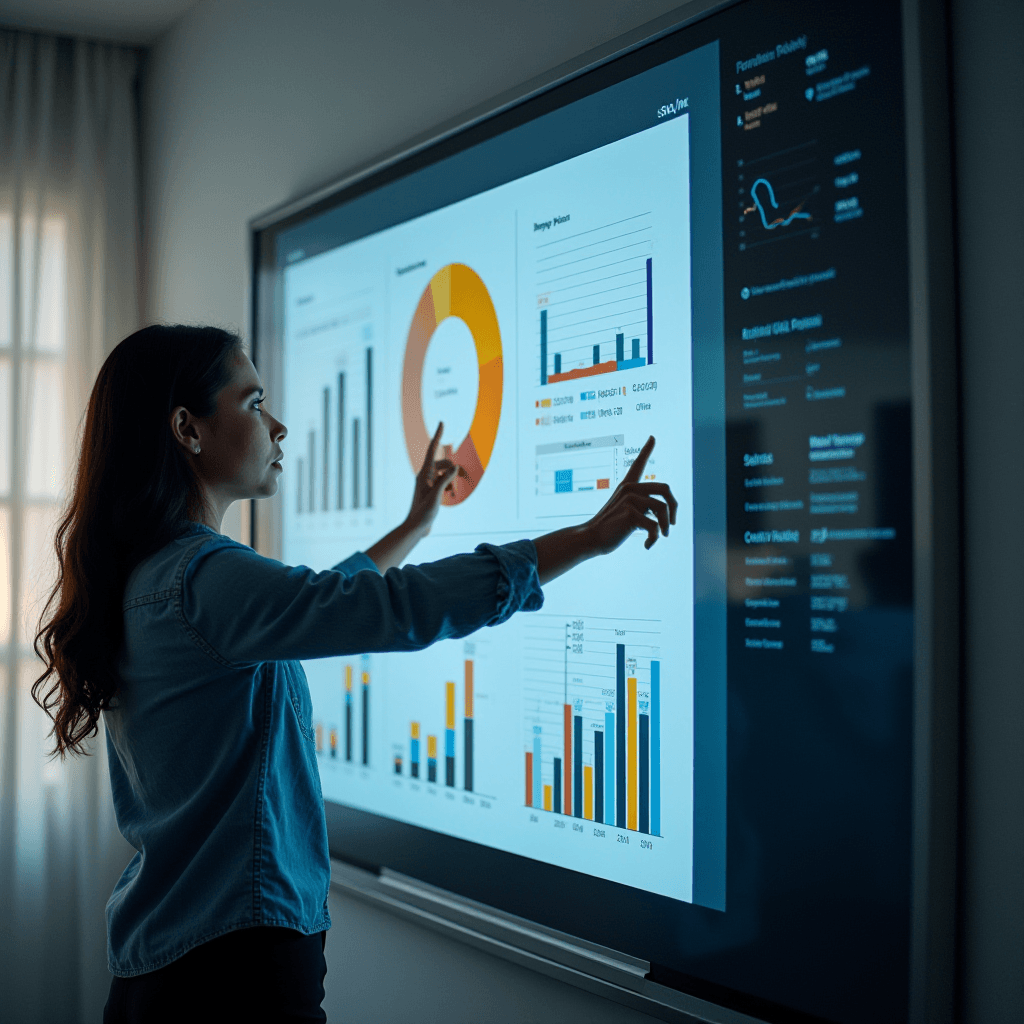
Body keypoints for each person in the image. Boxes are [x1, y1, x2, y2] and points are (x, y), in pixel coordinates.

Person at [33, 325, 676, 1023]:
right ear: (187, 429)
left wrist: (411, 527)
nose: (277, 427)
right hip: (234, 970)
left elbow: (307, 607)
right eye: (253, 404)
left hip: (171, 963)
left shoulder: (157, 577)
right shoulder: (203, 579)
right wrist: (581, 539)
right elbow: (376, 610)